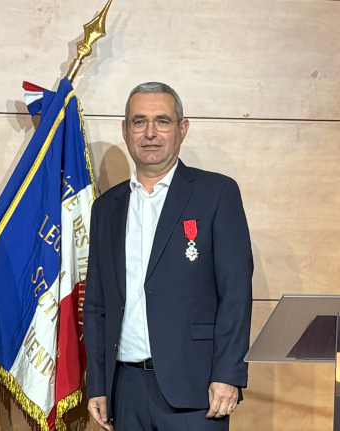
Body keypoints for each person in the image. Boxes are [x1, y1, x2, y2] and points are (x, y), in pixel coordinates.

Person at [83, 82, 253, 431]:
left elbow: (235, 293)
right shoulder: (106, 208)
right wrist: (98, 383)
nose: (150, 133)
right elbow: (97, 304)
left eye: (162, 121)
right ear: (125, 130)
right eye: (139, 122)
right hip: (125, 390)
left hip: (196, 390)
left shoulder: (216, 193)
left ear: (182, 128)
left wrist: (228, 373)